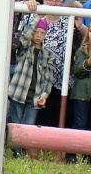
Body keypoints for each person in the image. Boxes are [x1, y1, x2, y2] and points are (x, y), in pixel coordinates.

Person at [35, 0, 86, 128]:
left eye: (58, 0)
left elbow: (85, 38)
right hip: (40, 75)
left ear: (63, 2)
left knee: (61, 110)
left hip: (64, 76)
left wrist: (79, 26)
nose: (53, 3)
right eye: (50, 0)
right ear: (44, 0)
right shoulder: (37, 18)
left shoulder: (68, 20)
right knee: (40, 111)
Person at [8, 18, 56, 158]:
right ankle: (16, 152)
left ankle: (22, 152)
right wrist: (35, 20)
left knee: (28, 125)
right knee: (16, 123)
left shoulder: (49, 54)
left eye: (42, 33)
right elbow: (24, 37)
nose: (38, 36)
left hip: (35, 95)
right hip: (18, 92)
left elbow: (48, 78)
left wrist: (45, 95)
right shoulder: (24, 49)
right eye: (36, 32)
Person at [70, 32, 91, 161]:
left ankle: (87, 157)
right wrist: (88, 63)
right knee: (80, 124)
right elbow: (76, 71)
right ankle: (72, 155)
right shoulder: (82, 50)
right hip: (82, 94)